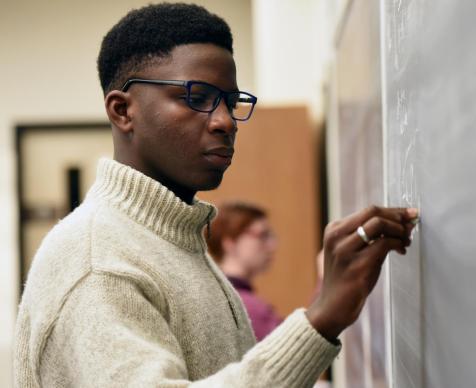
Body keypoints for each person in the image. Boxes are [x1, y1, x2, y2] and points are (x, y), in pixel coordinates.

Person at [13, 3, 418, 387]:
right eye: (197, 97)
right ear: (122, 110)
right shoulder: (99, 264)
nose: (225, 121)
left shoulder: (171, 238)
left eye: (230, 101)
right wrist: (319, 320)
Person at [206, 202, 282, 341]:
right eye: (263, 235)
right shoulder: (245, 306)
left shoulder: (214, 294)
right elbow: (299, 352)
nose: (272, 245)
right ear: (230, 242)